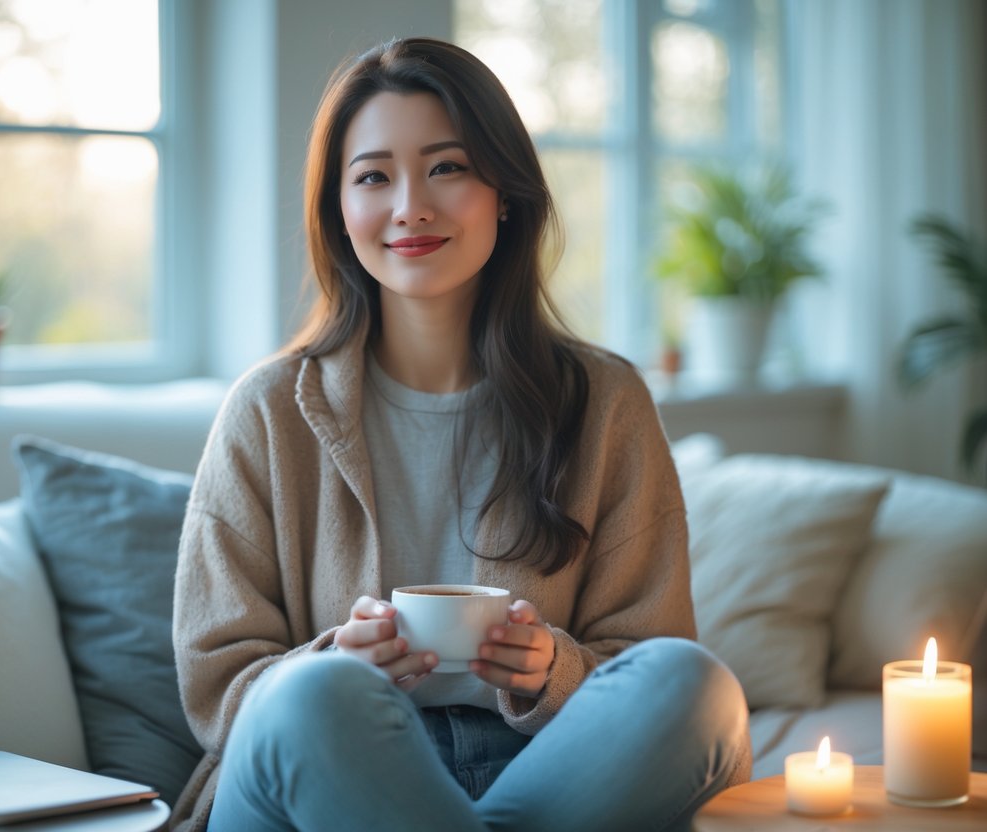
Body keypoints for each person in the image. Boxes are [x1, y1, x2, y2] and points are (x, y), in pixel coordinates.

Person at [170, 36, 750, 832]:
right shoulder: (268, 408)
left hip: (544, 771)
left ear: (504, 192)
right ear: (339, 211)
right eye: (373, 176)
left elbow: (642, 656)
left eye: (446, 167)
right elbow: (218, 686)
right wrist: (336, 664)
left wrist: (554, 671)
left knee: (693, 684)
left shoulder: (603, 401)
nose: (409, 205)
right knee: (315, 693)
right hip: (324, 771)